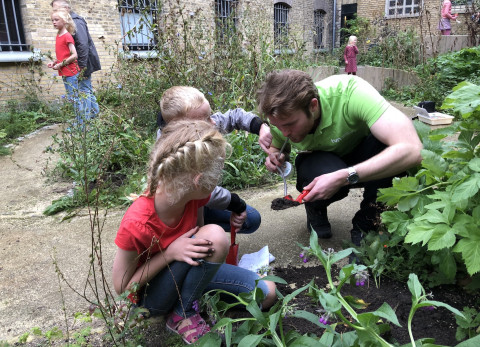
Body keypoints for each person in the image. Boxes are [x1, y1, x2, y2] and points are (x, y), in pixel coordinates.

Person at [112, 120, 276, 344]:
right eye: (218, 172)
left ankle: (194, 298)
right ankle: (183, 314)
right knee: (215, 235)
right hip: (152, 298)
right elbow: (122, 287)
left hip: (189, 274)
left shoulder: (192, 195)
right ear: (198, 181)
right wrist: (170, 254)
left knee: (268, 293)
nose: (219, 179)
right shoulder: (137, 222)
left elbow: (201, 238)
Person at [256, 70, 422, 248]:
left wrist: (345, 176)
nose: (284, 133)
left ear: (313, 106)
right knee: (313, 170)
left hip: (365, 154)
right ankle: (316, 207)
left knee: (389, 147)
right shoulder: (281, 118)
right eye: (277, 127)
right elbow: (278, 145)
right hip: (325, 163)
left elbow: (412, 149)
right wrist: (276, 155)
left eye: (289, 125)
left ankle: (368, 223)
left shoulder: (351, 93)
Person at [157, 86, 272, 234]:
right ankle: (190, 235)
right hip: (181, 209)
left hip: (202, 201)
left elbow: (234, 117)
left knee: (251, 220)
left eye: (209, 115)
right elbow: (204, 190)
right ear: (180, 129)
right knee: (200, 237)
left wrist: (260, 127)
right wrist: (235, 203)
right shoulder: (172, 153)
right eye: (205, 120)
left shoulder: (203, 125)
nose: (213, 123)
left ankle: (205, 229)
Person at [51, 0, 101, 123]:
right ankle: (94, 115)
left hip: (82, 64)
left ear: (66, 8)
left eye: (57, 9)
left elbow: (83, 46)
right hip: (78, 64)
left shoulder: (76, 21)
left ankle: (84, 121)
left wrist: (81, 68)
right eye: (54, 10)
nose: (55, 13)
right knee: (86, 90)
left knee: (83, 91)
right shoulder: (68, 24)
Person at [47, 8, 81, 113]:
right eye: (52, 20)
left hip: (72, 72)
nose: (54, 22)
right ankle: (79, 123)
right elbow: (63, 54)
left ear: (64, 21)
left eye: (56, 20)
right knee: (71, 98)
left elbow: (74, 55)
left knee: (75, 99)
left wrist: (61, 64)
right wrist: (55, 62)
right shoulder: (58, 36)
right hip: (64, 72)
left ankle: (80, 124)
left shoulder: (67, 36)